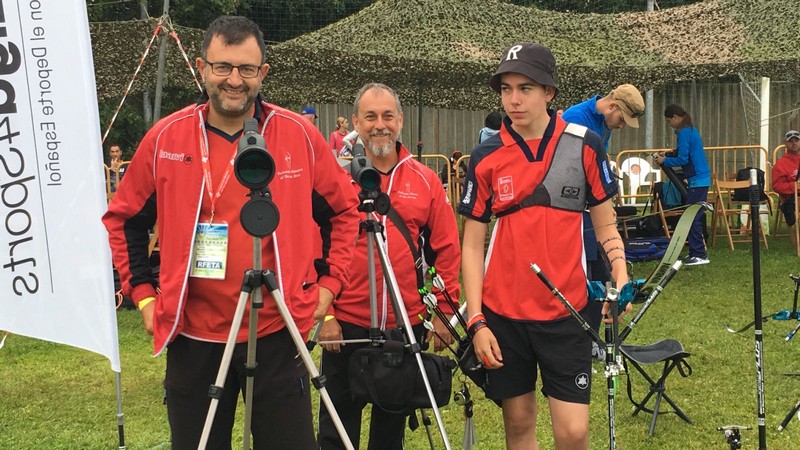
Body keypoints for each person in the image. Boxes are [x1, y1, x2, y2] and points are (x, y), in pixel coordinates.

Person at [102, 16, 360, 450]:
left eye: (246, 69)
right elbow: (125, 219)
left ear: (263, 73)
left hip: (278, 329)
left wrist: (330, 286)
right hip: (195, 333)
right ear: (202, 68)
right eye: (223, 67)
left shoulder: (298, 134)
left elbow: (343, 211)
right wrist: (143, 295)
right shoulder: (166, 137)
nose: (234, 80)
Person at [459, 42, 630, 450]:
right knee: (518, 426)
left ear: (550, 93)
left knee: (573, 433)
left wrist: (620, 273)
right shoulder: (485, 156)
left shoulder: (586, 143)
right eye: (506, 89)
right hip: (504, 316)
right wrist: (477, 320)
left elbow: (606, 225)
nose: (513, 100)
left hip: (567, 309)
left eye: (526, 88)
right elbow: (471, 245)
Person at [317, 83, 462, 450]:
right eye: (370, 116)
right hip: (345, 327)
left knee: (389, 436)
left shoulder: (425, 180)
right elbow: (311, 249)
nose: (379, 125)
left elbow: (447, 248)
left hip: (403, 326)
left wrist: (446, 310)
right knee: (336, 433)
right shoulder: (333, 180)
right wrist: (325, 315)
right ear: (355, 122)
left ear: (399, 121)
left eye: (387, 116)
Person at [562, 83, 644, 359]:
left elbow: (599, 159)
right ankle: (580, 339)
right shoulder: (575, 119)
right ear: (612, 106)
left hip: (591, 209)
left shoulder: (604, 124)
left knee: (600, 271)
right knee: (585, 274)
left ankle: (593, 339)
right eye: (622, 119)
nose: (621, 126)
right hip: (572, 213)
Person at [655, 103, 711, 266]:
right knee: (693, 216)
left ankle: (699, 254)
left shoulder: (684, 132)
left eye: (669, 121)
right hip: (700, 179)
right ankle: (696, 252)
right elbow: (685, 152)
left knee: (692, 217)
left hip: (698, 180)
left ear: (676, 118)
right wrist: (671, 152)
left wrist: (665, 160)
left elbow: (684, 159)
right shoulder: (690, 130)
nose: (669, 124)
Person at [772, 129, 800, 239]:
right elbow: (776, 186)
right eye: (791, 141)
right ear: (785, 144)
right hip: (792, 198)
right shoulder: (780, 165)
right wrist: (794, 186)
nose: (794, 143)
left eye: (796, 140)